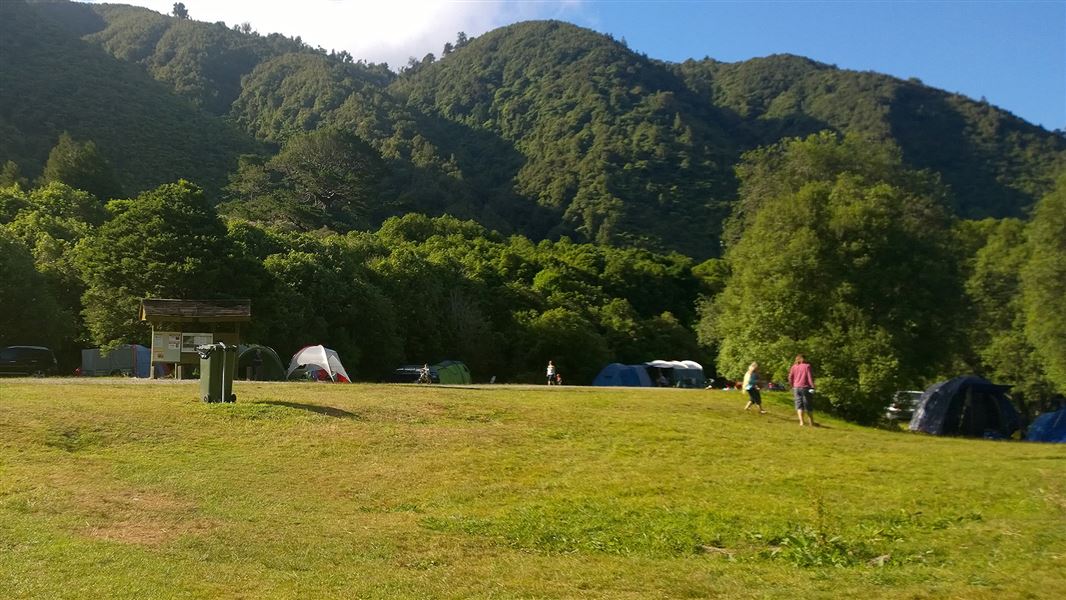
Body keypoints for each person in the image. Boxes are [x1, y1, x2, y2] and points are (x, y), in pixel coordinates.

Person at [788, 354, 816, 426]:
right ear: (803, 359)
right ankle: (811, 422)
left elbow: (790, 377)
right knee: (808, 405)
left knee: (799, 405)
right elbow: (809, 377)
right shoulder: (807, 366)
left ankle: (801, 422)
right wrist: (813, 386)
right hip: (805, 387)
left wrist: (792, 385)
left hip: (796, 388)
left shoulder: (794, 367)